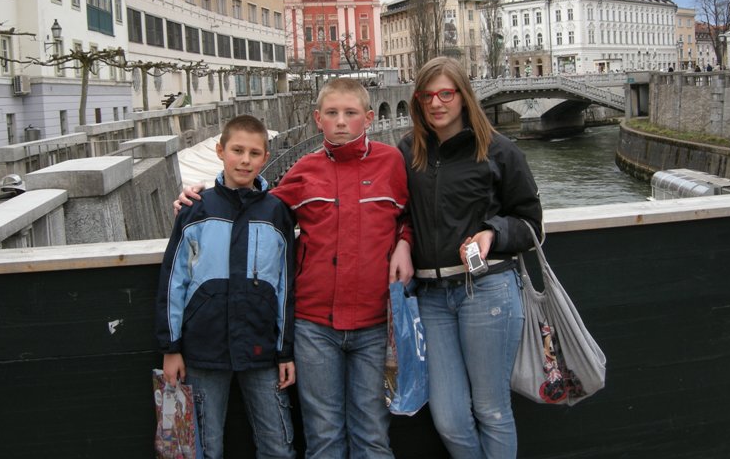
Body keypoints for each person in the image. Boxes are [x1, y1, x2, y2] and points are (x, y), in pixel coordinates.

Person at [177, 78, 413, 459]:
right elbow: (255, 208)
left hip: (374, 323)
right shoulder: (305, 170)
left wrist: (405, 242)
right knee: (324, 435)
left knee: (372, 433)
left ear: (368, 118)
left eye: (350, 113)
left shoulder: (391, 162)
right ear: (318, 119)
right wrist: (198, 203)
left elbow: (411, 215)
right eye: (332, 113)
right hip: (315, 327)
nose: (341, 121)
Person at [398, 56, 543, 459]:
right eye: (427, 96)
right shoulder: (408, 150)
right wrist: (402, 241)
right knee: (448, 418)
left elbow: (531, 224)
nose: (436, 103)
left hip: (487, 290)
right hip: (431, 296)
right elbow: (399, 212)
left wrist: (492, 233)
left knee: (491, 410)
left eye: (446, 93)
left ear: (464, 96)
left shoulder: (499, 150)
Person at [156, 115, 297, 459]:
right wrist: (171, 347)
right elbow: (173, 282)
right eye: (237, 150)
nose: (245, 160)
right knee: (204, 445)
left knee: (278, 445)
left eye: (254, 153)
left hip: (262, 347)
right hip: (204, 348)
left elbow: (285, 288)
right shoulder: (196, 209)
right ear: (220, 151)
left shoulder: (276, 213)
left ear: (265, 158)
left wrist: (285, 351)